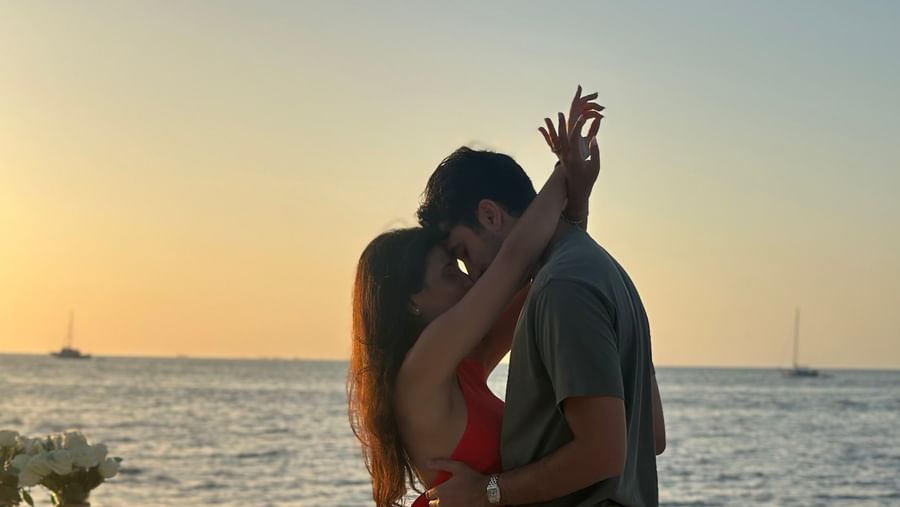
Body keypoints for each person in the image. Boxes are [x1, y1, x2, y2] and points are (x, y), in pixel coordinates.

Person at [348, 88, 605, 507]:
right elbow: (513, 263)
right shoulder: (420, 370)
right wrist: (564, 168)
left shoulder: (460, 367)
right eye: (451, 271)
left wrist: (577, 200)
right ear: (412, 301)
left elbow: (535, 277)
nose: (469, 281)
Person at [418, 87, 665, 506]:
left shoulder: (562, 288)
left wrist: (486, 493)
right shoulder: (602, 272)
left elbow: (604, 453)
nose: (472, 277)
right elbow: (652, 434)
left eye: (463, 255)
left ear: (490, 216)